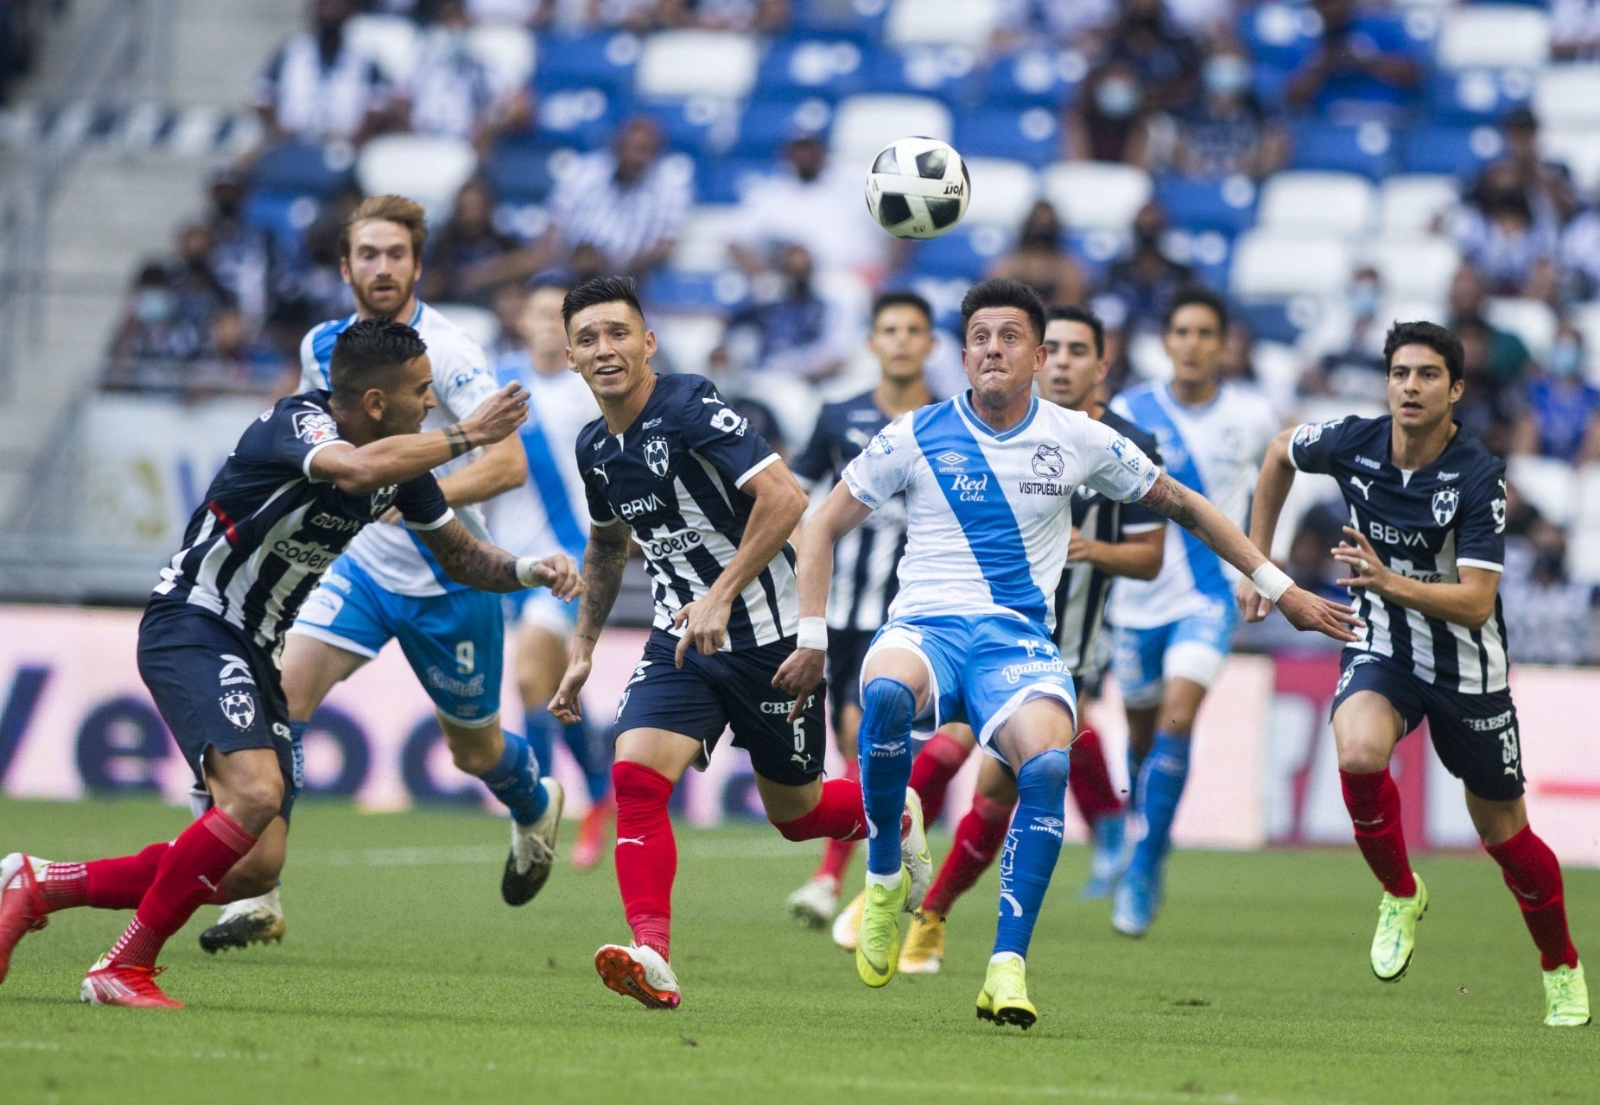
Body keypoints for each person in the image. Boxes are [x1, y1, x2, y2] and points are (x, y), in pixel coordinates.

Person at [774, 277, 1358, 1025]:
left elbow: (1184, 506)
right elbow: (819, 525)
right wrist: (813, 634)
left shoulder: (1077, 437)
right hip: (926, 627)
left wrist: (1277, 585)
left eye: (1010, 336)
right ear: (962, 354)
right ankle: (886, 875)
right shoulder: (915, 432)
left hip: (1017, 646)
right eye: (981, 337)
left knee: (1047, 762)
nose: (993, 348)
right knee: (884, 694)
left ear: (1038, 354)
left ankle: (1007, 968)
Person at [0, 319, 579, 1007]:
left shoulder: (403, 467)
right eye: (420, 392)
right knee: (254, 794)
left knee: (249, 867)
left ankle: (39, 884)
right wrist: (470, 436)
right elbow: (355, 469)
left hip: (256, 648)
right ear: (373, 402)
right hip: (195, 622)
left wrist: (528, 570)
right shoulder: (296, 422)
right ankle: (123, 965)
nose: (431, 403)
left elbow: (461, 556)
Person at [547, 275, 930, 1011]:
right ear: (570, 356)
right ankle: (652, 953)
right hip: (682, 640)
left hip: (771, 637)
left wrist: (720, 593)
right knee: (634, 778)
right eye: (588, 338)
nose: (605, 349)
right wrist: (584, 646)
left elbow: (786, 496)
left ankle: (896, 810)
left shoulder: (688, 403)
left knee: (796, 814)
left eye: (619, 333)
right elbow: (605, 545)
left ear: (648, 342)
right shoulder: (595, 444)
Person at [198, 194, 546, 955]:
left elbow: (508, 460)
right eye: (368, 254)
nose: (382, 267)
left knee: (475, 751)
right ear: (345, 265)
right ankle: (257, 891)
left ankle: (535, 802)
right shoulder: (324, 346)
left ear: (418, 263)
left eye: (396, 254)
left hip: (449, 576)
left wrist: (415, 497)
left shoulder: (449, 350)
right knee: (280, 701)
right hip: (351, 570)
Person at [1237, 320, 1590, 1029]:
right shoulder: (1352, 440)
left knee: (1505, 838)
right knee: (1360, 750)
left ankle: (1562, 968)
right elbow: (1278, 453)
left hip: (1468, 666)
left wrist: (1386, 580)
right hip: (1383, 648)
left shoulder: (1478, 474)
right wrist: (1261, 567)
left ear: (1455, 390)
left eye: (1428, 374)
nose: (1410, 386)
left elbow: (1476, 600)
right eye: (1400, 372)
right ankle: (1400, 892)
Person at [894, 304, 1167, 976]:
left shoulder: (1122, 446)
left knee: (994, 792)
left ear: (1100, 366)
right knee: (944, 753)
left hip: (1062, 649)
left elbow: (1152, 556)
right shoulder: (986, 429)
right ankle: (890, 883)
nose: (1068, 361)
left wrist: (1091, 549)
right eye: (1060, 347)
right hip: (980, 635)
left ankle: (931, 910)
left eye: (1082, 351)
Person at [1105, 286, 1281, 939]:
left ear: (1223, 343)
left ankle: (1147, 859)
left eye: (1206, 332)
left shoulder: (1253, 414)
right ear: (1167, 340)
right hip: (1137, 598)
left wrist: (1259, 565)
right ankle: (1138, 832)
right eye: (1182, 331)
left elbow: (1274, 487)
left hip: (1210, 595)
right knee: (1144, 734)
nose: (1193, 343)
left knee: (1180, 714)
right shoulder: (1131, 409)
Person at [781, 290, 941, 928]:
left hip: (904, 611)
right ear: (872, 342)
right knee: (857, 745)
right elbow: (797, 502)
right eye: (889, 329)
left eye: (913, 329)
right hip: (837, 611)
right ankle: (890, 838)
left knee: (857, 732)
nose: (901, 340)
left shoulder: (948, 422)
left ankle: (830, 879)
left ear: (931, 344)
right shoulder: (837, 415)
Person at [484, 272, 615, 871]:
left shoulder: (586, 391)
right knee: (553, 692)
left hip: (568, 556)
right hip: (505, 559)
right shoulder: (497, 386)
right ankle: (599, 797)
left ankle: (535, 807)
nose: (542, 323)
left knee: (530, 676)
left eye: (553, 316)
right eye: (535, 312)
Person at [544, 116, 692, 278]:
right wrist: (568, 262)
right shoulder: (584, 171)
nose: (634, 157)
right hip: (570, 265)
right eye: (629, 147)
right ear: (617, 146)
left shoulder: (670, 186)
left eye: (643, 149)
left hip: (630, 277)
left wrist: (613, 265)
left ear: (656, 153)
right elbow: (554, 226)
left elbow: (665, 246)